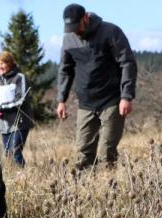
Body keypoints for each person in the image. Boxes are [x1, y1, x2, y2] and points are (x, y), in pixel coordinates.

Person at [57, 3, 137, 169]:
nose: (75, 31)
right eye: (70, 28)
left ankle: (109, 190)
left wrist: (126, 96)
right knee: (83, 152)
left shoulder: (110, 32)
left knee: (106, 153)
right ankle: (86, 191)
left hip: (112, 100)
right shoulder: (68, 39)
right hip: (85, 103)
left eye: (77, 26)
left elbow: (127, 63)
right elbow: (65, 70)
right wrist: (61, 99)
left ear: (85, 18)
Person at [0, 51, 34, 168]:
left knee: (15, 152)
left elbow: (21, 100)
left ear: (10, 63)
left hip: (20, 123)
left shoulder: (19, 78)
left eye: (3, 63)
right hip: (4, 127)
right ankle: (16, 178)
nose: (0, 67)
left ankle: (24, 175)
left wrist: (1, 108)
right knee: (8, 154)